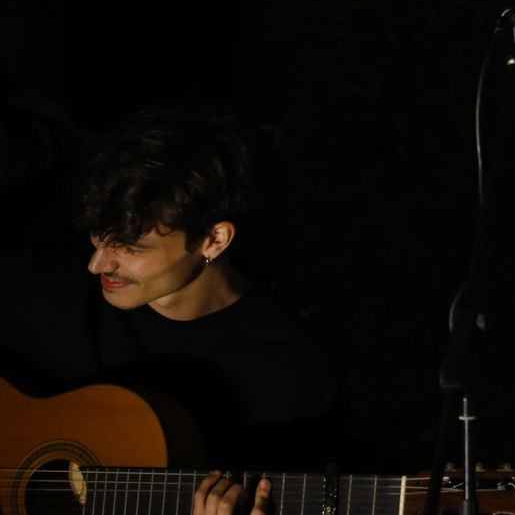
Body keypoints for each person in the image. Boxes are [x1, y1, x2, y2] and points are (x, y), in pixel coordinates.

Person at [0, 106, 340, 466]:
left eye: (131, 248)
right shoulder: (40, 286)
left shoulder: (291, 375)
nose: (97, 264)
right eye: (98, 238)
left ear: (214, 240)